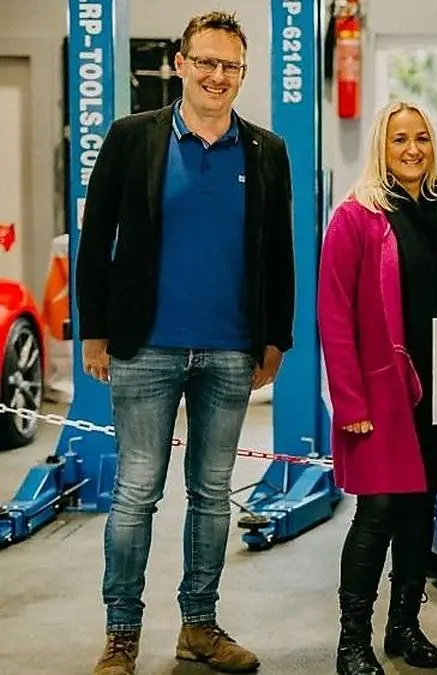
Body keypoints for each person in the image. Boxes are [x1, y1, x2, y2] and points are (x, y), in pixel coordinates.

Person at [76, 11, 293, 675]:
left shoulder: (265, 151)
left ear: (242, 72)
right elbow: (96, 239)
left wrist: (276, 338)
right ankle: (121, 633)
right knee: (137, 491)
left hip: (230, 349)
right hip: (146, 347)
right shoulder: (132, 138)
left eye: (230, 66)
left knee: (211, 491)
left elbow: (278, 251)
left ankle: (199, 624)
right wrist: (96, 329)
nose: (217, 75)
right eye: (206, 61)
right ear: (180, 63)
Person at [317, 100, 437, 675]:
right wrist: (349, 401)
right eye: (399, 140)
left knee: (422, 512)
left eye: (421, 138)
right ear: (381, 148)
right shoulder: (357, 216)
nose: (412, 149)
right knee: (378, 512)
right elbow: (334, 314)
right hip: (382, 393)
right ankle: (351, 642)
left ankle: (404, 628)